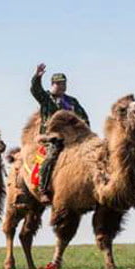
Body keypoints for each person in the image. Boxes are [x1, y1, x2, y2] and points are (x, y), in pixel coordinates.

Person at [30, 63, 89, 203]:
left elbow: (83, 117)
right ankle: (43, 189)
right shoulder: (46, 99)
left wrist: (86, 132)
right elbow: (35, 90)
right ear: (52, 84)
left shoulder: (71, 101)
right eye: (59, 84)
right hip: (52, 138)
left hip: (72, 137)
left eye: (64, 83)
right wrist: (37, 78)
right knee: (50, 157)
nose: (62, 86)